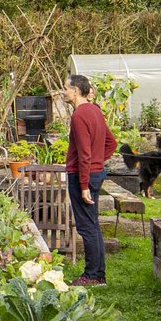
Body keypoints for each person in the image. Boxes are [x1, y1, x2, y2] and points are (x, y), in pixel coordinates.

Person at [61, 73, 117, 285]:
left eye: (66, 88)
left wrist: (84, 184)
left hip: (81, 176)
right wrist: (97, 162)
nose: (63, 92)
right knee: (93, 225)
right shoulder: (95, 111)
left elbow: (84, 153)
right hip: (95, 173)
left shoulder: (79, 116)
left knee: (86, 227)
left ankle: (92, 275)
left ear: (76, 91)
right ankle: (99, 275)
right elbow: (111, 143)